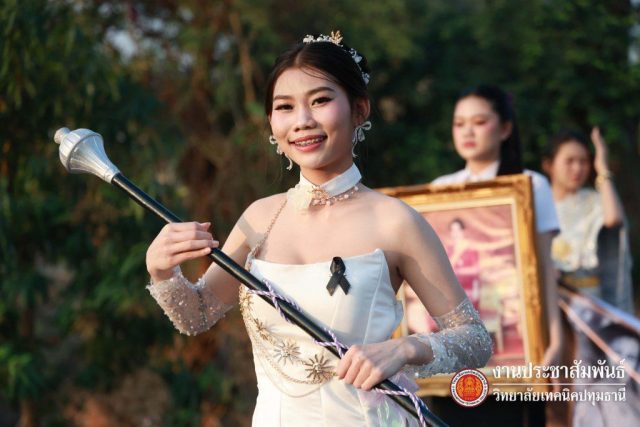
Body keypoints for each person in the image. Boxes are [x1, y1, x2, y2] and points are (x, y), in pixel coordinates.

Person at [144, 32, 492, 426]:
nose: (302, 121)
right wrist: (162, 271)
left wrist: (406, 349)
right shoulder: (259, 218)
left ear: (359, 109)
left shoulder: (396, 221)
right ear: (271, 122)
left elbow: (475, 340)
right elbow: (196, 315)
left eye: (321, 100)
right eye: (285, 107)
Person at [431, 85, 563, 426]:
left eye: (479, 122)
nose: (468, 132)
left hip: (518, 348)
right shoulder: (440, 190)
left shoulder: (531, 185)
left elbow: (544, 271)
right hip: (455, 345)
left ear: (505, 128)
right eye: (459, 124)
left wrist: (555, 340)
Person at [542, 128, 633, 313]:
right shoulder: (537, 204)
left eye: (583, 161)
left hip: (591, 305)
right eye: (569, 161)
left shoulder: (595, 201)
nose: (577, 168)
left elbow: (614, 220)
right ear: (549, 165)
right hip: (549, 300)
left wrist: (603, 169)